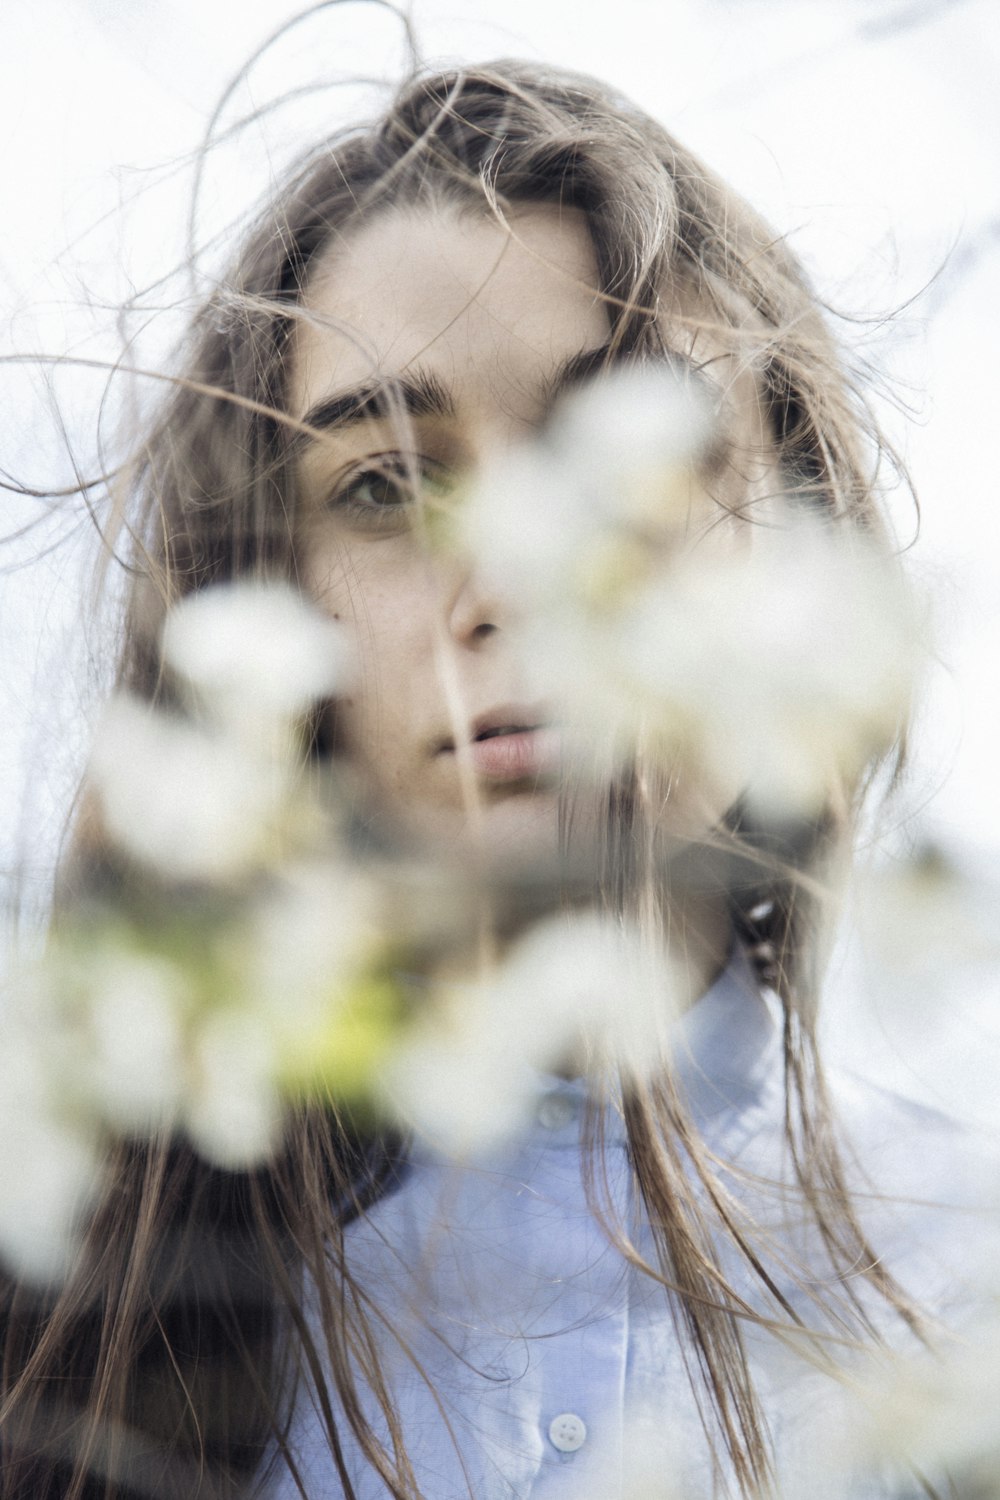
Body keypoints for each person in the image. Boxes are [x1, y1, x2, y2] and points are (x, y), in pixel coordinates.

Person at [0, 48, 988, 1500]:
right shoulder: (77, 1336)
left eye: (612, 453)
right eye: (386, 486)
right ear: (266, 602)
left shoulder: (966, 1280)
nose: (515, 572)